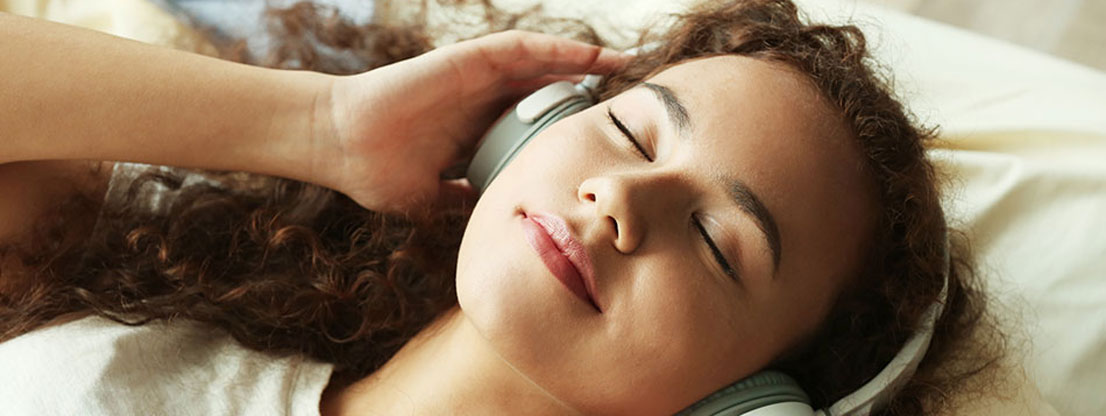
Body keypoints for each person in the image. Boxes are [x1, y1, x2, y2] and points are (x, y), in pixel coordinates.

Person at [0, 0, 1000, 414]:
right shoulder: (159, 304)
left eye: (713, 239)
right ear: (528, 126)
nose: (618, 198)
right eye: (631, 134)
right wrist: (326, 126)